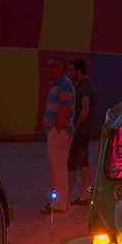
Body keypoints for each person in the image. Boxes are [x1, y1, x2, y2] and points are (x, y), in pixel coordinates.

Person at [42, 55, 74, 214]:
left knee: (58, 168)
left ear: (62, 68)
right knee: (57, 168)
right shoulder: (58, 84)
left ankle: (60, 204)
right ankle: (62, 203)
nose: (50, 69)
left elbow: (64, 111)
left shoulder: (64, 85)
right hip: (56, 131)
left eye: (53, 65)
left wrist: (56, 131)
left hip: (59, 132)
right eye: (49, 65)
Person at [66, 59, 97, 205]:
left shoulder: (85, 88)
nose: (69, 73)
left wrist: (75, 127)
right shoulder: (84, 87)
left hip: (82, 131)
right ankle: (86, 194)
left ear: (79, 72)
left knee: (72, 162)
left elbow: (85, 111)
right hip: (85, 130)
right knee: (83, 162)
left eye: (71, 70)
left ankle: (64, 198)